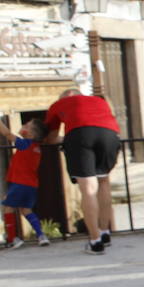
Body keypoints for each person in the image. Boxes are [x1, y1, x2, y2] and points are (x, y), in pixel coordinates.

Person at [43, 88, 121, 254]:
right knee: (104, 182)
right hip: (110, 135)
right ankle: (105, 233)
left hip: (81, 135)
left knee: (88, 189)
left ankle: (95, 241)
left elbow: (51, 138)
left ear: (67, 96)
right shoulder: (99, 101)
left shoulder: (59, 104)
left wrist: (66, 139)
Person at [0, 118, 50, 249]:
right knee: (26, 210)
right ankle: (41, 235)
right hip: (31, 185)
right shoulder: (36, 148)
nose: (23, 125)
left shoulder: (25, 144)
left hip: (19, 183)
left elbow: (7, 134)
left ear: (31, 135)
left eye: (26, 125)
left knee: (8, 208)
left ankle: (12, 239)